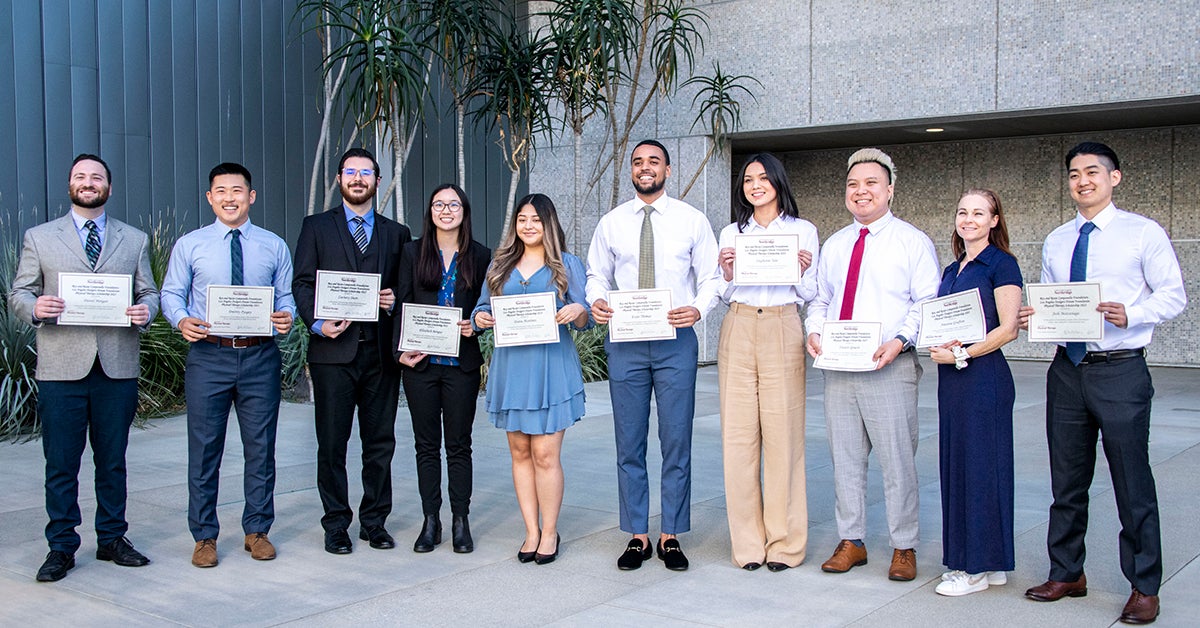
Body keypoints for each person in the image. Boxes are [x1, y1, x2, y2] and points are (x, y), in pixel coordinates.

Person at [1020, 142, 1186, 625]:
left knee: (1132, 482)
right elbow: (1057, 301)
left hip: (1121, 369)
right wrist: (1039, 318)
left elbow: (1173, 295)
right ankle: (1067, 571)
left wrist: (1132, 312)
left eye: (1092, 172)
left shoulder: (1142, 233)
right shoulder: (1056, 239)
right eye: (1074, 174)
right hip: (1067, 370)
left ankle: (1144, 586)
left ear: (1115, 178)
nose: (1082, 181)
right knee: (1066, 481)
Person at [10, 154, 160, 582]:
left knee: (112, 461)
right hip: (61, 367)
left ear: (109, 187)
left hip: (116, 366)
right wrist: (35, 307)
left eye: (97, 177)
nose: (88, 182)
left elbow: (149, 292)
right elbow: (19, 292)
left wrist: (144, 312)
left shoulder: (134, 239)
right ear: (70, 185)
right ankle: (61, 546)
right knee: (61, 462)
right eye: (80, 176)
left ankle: (112, 538)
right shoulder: (40, 237)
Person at [805, 148, 940, 582]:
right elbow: (821, 299)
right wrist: (814, 330)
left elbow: (926, 304)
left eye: (870, 184)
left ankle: (904, 545)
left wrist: (900, 341)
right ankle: (853, 540)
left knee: (897, 460)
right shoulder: (838, 243)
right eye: (853, 185)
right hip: (840, 369)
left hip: (890, 367)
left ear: (890, 190)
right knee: (844, 458)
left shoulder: (912, 241)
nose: (861, 192)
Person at [587, 140, 721, 571]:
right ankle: (638, 534)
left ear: (667, 169)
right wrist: (596, 300)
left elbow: (713, 276)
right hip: (625, 341)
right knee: (629, 440)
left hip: (674, 341)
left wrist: (699, 308)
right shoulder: (612, 223)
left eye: (654, 162)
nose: (646, 169)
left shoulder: (691, 220)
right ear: (632, 170)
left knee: (676, 438)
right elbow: (596, 275)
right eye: (638, 162)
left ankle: (671, 535)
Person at [161, 162, 297, 568]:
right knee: (204, 451)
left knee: (261, 448)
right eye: (220, 191)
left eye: (237, 191)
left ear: (250, 196)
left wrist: (286, 315)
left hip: (259, 356)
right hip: (209, 355)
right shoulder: (191, 245)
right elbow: (172, 293)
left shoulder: (273, 245)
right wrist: (181, 320)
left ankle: (257, 530)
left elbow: (285, 297)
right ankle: (204, 536)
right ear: (210, 197)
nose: (229, 198)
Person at [292, 148, 410, 555]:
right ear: (339, 179)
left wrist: (394, 300)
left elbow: (404, 292)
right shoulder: (316, 227)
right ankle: (336, 523)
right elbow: (302, 284)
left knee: (380, 443)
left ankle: (374, 521)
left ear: (378, 181)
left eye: (366, 173)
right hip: (332, 356)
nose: (358, 179)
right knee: (332, 443)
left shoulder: (397, 233)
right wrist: (317, 323)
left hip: (379, 356)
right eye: (350, 172)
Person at [473, 193, 590, 565]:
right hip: (513, 367)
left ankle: (551, 531)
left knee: (544, 453)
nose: (528, 225)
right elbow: (480, 308)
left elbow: (585, 316)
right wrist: (480, 319)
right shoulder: (500, 265)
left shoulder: (567, 264)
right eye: (522, 219)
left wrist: (576, 309)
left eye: (536, 220)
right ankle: (531, 531)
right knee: (520, 452)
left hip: (551, 366)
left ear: (549, 223)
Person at [715, 153, 818, 572]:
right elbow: (723, 292)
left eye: (763, 178)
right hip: (738, 326)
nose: (755, 185)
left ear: (777, 182)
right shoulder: (731, 231)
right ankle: (748, 545)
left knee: (783, 437)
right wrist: (725, 272)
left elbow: (810, 291)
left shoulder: (802, 231)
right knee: (738, 441)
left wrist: (800, 269)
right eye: (748, 179)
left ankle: (786, 544)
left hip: (782, 327)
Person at [928, 189, 1022, 596]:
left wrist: (962, 353)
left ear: (995, 220)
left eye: (979, 213)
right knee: (960, 467)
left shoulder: (1001, 264)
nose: (968, 219)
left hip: (983, 377)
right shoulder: (952, 269)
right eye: (962, 211)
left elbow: (1008, 328)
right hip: (953, 380)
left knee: (982, 470)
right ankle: (993, 561)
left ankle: (974, 568)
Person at [394, 183, 490, 554]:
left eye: (453, 204)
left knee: (459, 445)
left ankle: (460, 520)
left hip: (460, 364)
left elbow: (487, 305)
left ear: (464, 211)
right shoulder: (411, 252)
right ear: (430, 211)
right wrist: (398, 351)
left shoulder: (480, 255)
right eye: (438, 204)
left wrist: (477, 323)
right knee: (425, 445)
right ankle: (430, 520)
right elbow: (400, 303)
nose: (445, 210)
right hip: (419, 365)